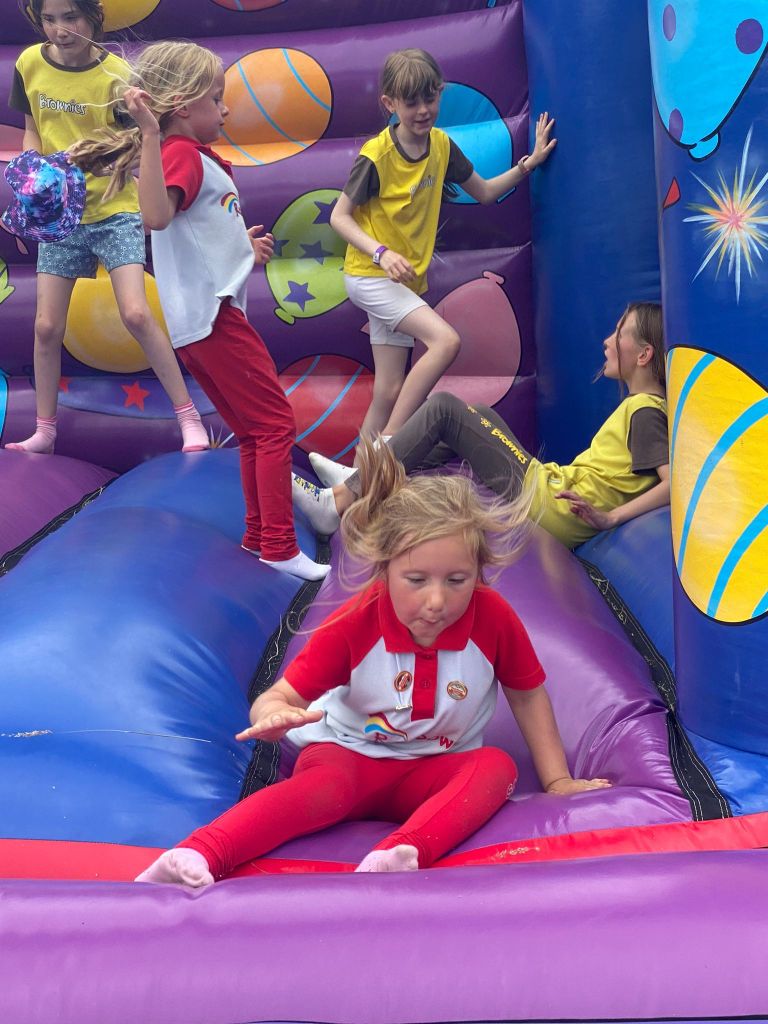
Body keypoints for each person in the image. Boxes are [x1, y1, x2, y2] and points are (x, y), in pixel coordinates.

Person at [135, 441, 610, 886]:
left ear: (480, 572)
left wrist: (557, 780)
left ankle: (404, 852)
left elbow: (526, 693)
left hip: (433, 768)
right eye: (417, 579)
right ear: (384, 568)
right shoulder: (357, 624)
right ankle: (200, 852)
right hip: (348, 758)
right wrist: (273, 716)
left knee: (495, 766)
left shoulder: (492, 618)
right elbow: (279, 697)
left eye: (458, 580)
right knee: (317, 793)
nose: (437, 600)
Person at [71, 41, 328, 581]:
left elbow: (196, 232)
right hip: (215, 321)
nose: (226, 109)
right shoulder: (178, 153)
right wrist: (147, 132)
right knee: (276, 426)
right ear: (185, 105)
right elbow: (158, 218)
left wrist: (245, 249)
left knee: (257, 432)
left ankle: (260, 536)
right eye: (217, 98)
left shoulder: (193, 157)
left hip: (201, 322)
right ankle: (279, 545)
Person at [5, 0, 209, 456]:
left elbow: (133, 148)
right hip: (60, 214)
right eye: (50, 20)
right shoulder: (29, 63)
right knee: (44, 326)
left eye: (71, 17)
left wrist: (91, 157)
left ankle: (189, 417)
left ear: (94, 17)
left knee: (136, 313)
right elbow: (32, 129)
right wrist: (35, 166)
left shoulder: (116, 76)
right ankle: (45, 430)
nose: (60, 30)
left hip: (114, 208)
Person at [295, 302, 669, 550]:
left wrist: (611, 518)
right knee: (477, 413)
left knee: (445, 409)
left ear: (643, 354)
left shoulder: (646, 411)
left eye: (619, 333)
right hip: (552, 493)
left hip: (552, 507)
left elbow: (673, 484)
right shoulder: (643, 408)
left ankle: (339, 502)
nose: (607, 341)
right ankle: (366, 475)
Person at [331, 47, 556, 444]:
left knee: (388, 391)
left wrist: (529, 164)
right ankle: (391, 444)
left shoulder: (441, 147)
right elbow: (340, 217)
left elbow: (485, 192)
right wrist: (382, 254)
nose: (423, 110)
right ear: (390, 103)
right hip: (370, 275)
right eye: (411, 102)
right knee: (445, 341)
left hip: (402, 285)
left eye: (430, 98)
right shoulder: (377, 156)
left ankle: (356, 482)